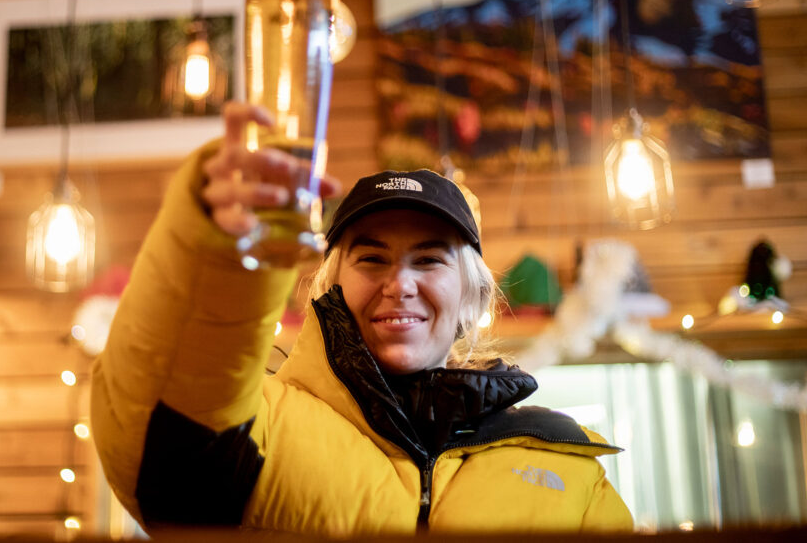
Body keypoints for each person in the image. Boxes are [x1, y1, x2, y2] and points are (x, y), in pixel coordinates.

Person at [90, 103, 633, 536]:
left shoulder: (568, 464)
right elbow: (150, 437)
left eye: (428, 260)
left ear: (471, 294)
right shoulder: (257, 425)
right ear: (330, 285)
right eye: (371, 259)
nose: (400, 284)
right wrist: (217, 251)